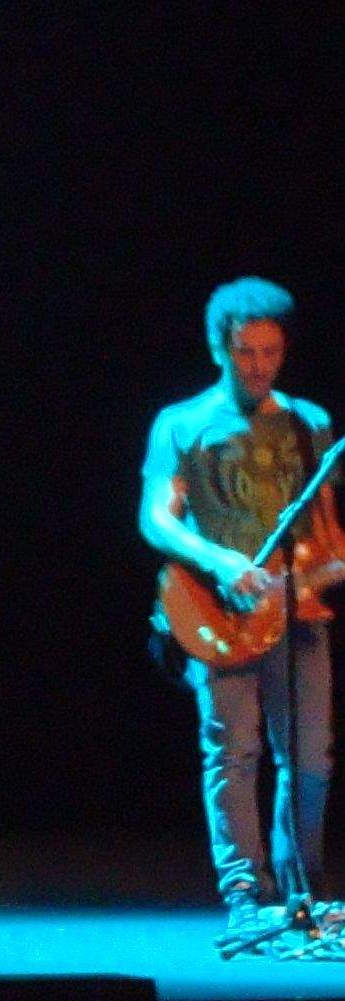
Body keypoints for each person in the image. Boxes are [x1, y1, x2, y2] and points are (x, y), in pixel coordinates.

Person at [141, 276, 343, 945]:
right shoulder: (182, 424)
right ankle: (244, 893)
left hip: (298, 611)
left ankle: (301, 887)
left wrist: (323, 566)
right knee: (234, 752)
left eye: (271, 351)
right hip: (216, 609)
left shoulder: (309, 423)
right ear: (218, 347)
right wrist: (223, 562)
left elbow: (329, 534)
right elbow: (155, 518)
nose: (259, 365)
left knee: (311, 757)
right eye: (247, 350)